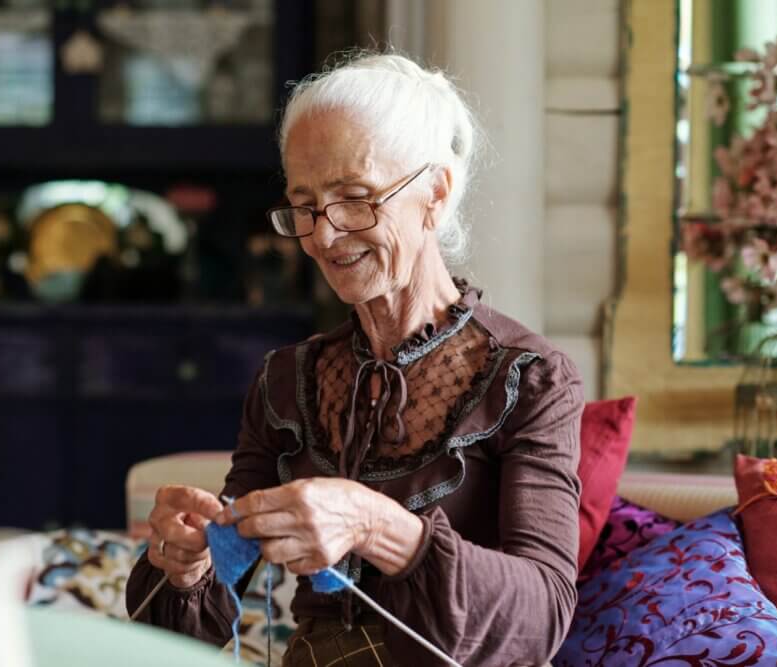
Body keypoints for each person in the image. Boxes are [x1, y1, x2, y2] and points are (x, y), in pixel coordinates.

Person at [126, 51, 582, 667]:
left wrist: (378, 527)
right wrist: (187, 562)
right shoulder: (287, 382)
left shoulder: (527, 379)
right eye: (305, 204)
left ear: (435, 194)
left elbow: (542, 618)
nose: (323, 235)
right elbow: (187, 633)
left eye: (355, 198)